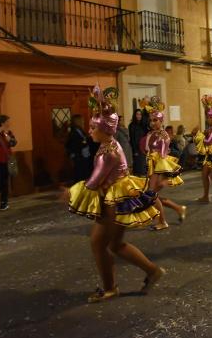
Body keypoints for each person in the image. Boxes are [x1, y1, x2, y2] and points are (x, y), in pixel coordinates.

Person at [66, 86, 163, 302]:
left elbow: (92, 183)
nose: (90, 131)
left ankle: (110, 288)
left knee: (98, 244)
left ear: (104, 130)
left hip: (112, 202)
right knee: (115, 245)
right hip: (117, 198)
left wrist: (70, 194)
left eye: (93, 127)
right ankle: (152, 271)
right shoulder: (111, 144)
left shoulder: (106, 152)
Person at [141, 96, 187, 231]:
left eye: (155, 120)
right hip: (151, 167)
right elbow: (147, 150)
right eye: (151, 120)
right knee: (154, 196)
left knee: (151, 195)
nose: (152, 123)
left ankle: (162, 221)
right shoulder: (152, 134)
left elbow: (162, 157)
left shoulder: (164, 136)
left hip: (160, 169)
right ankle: (179, 208)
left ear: (161, 120)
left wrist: (159, 177)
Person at [65, 114, 94, 183]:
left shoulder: (80, 130)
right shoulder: (73, 131)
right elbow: (75, 143)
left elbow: (84, 139)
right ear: (77, 121)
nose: (83, 122)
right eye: (82, 120)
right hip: (79, 156)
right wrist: (85, 142)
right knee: (80, 174)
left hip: (84, 155)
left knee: (85, 173)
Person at [129, 109, 148, 177]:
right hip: (136, 147)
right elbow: (132, 139)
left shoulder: (144, 125)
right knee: (137, 164)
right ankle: (138, 179)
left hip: (143, 147)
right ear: (135, 115)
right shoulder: (132, 125)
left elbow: (147, 135)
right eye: (137, 114)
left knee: (143, 163)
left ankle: (143, 178)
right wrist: (135, 150)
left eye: (140, 114)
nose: (139, 116)